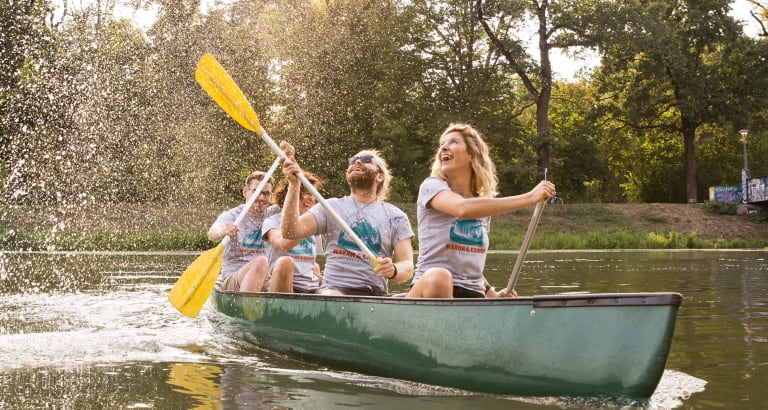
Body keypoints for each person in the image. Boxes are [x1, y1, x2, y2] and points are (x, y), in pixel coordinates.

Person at [407, 123, 556, 298]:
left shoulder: (482, 206)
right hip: (430, 288)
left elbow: (468, 260)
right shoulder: (431, 186)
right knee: (440, 276)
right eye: (442, 144)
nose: (444, 147)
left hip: (473, 295)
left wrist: (492, 293)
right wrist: (529, 198)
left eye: (453, 142)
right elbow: (462, 209)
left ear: (472, 154)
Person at [279, 144, 414, 296]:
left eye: (366, 159)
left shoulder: (396, 216)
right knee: (332, 296)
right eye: (353, 160)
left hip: (376, 294)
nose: (357, 162)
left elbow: (407, 267)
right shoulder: (329, 207)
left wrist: (394, 270)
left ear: (379, 176)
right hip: (335, 290)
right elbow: (290, 231)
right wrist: (294, 184)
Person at [208, 170, 279, 292]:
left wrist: (290, 167)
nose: (261, 198)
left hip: (265, 279)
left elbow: (294, 202)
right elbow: (212, 233)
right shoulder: (233, 215)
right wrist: (224, 230)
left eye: (266, 194)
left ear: (271, 196)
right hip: (233, 278)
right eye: (256, 192)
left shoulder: (274, 214)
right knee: (261, 262)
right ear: (245, 192)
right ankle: (248, 307)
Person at [262, 172, 324, 293]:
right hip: (283, 286)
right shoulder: (272, 221)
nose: (311, 198)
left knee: (317, 268)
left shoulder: (314, 226)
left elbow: (309, 267)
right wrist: (307, 227)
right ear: (290, 195)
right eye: (307, 193)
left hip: (310, 288)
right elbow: (283, 244)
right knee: (285, 262)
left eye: (313, 194)